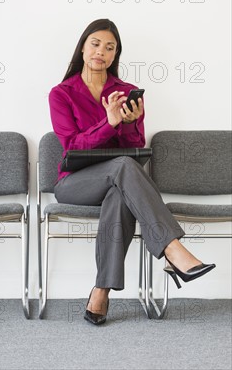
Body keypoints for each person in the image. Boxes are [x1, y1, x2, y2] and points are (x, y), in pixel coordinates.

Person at [48, 18, 216, 326]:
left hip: (118, 179)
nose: (102, 51)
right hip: (74, 182)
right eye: (96, 44)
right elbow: (73, 145)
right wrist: (108, 122)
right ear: (83, 47)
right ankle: (172, 248)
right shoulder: (62, 93)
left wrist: (128, 123)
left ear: (115, 55)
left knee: (120, 195)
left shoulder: (125, 92)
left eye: (110, 48)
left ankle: (101, 290)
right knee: (123, 169)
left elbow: (134, 147)